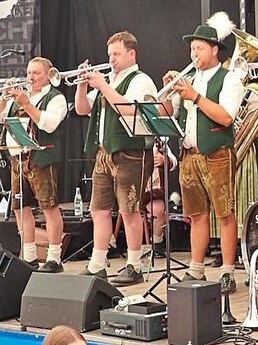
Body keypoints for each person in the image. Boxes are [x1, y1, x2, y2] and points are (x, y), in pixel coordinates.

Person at [161, 12, 244, 292]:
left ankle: (228, 272)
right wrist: (169, 91)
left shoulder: (229, 78)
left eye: (199, 48)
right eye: (192, 48)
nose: (194, 53)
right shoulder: (189, 79)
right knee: (196, 215)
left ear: (214, 50)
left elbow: (225, 117)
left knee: (225, 213)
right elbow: (167, 112)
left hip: (217, 153)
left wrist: (195, 96)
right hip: (189, 155)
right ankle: (196, 269)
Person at [75, 31, 156, 286]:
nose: (112, 60)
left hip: (130, 153)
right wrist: (81, 85)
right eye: (110, 54)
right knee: (98, 210)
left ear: (132, 54)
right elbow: (82, 109)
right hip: (104, 154)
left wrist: (102, 86)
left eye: (117, 54)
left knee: (130, 211)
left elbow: (129, 110)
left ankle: (134, 265)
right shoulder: (108, 80)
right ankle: (97, 264)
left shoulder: (141, 80)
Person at [0, 57, 67, 273]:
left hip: (42, 158)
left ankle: (54, 258)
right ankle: (28, 255)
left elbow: (48, 124)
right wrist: (4, 97)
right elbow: (2, 116)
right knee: (21, 209)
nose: (31, 77)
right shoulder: (20, 97)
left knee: (49, 207)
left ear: (48, 75)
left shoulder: (56, 98)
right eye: (29, 73)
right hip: (18, 159)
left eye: (36, 73)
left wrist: (26, 104)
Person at [141, 139, 176, 256]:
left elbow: (174, 162)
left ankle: (156, 243)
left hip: (151, 192)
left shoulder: (157, 141)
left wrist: (164, 160)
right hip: (128, 192)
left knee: (159, 208)